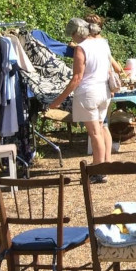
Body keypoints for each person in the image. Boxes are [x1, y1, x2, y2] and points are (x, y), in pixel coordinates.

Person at [48, 17, 115, 182]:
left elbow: (77, 78)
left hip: (88, 94)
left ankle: (98, 171)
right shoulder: (102, 43)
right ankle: (104, 165)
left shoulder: (81, 48)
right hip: (104, 92)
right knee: (101, 128)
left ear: (77, 33)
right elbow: (109, 68)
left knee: (95, 133)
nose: (72, 38)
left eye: (72, 35)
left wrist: (58, 100)